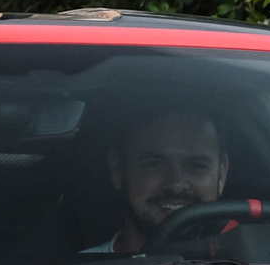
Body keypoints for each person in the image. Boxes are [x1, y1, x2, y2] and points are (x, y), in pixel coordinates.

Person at [91, 109, 228, 254]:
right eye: (155, 164)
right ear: (118, 170)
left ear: (222, 175)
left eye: (196, 166)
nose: (176, 186)